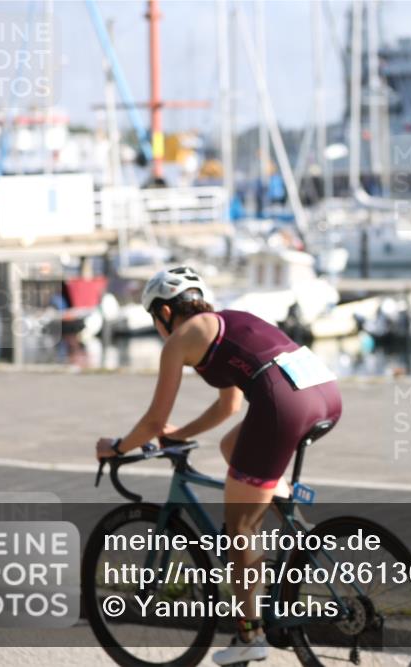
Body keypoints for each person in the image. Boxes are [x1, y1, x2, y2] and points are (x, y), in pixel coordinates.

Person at [95, 266, 342, 665]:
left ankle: (249, 635)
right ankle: (289, 519)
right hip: (325, 395)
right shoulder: (225, 324)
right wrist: (180, 435)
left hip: (285, 405)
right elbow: (228, 407)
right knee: (233, 447)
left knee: (239, 528)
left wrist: (119, 446)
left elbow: (153, 421)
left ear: (163, 313)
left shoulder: (180, 340)